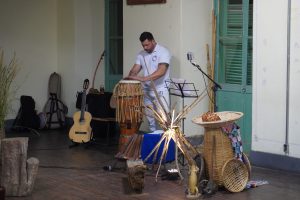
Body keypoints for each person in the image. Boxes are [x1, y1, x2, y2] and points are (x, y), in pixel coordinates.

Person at [125, 31, 171, 132]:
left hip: (160, 89)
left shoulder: (163, 51)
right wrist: (128, 78)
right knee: (150, 119)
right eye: (143, 45)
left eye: (147, 44)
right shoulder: (141, 54)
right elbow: (134, 70)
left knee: (163, 118)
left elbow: (161, 71)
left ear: (153, 41)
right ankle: (153, 141)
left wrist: (143, 79)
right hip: (147, 91)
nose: (145, 47)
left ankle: (166, 141)